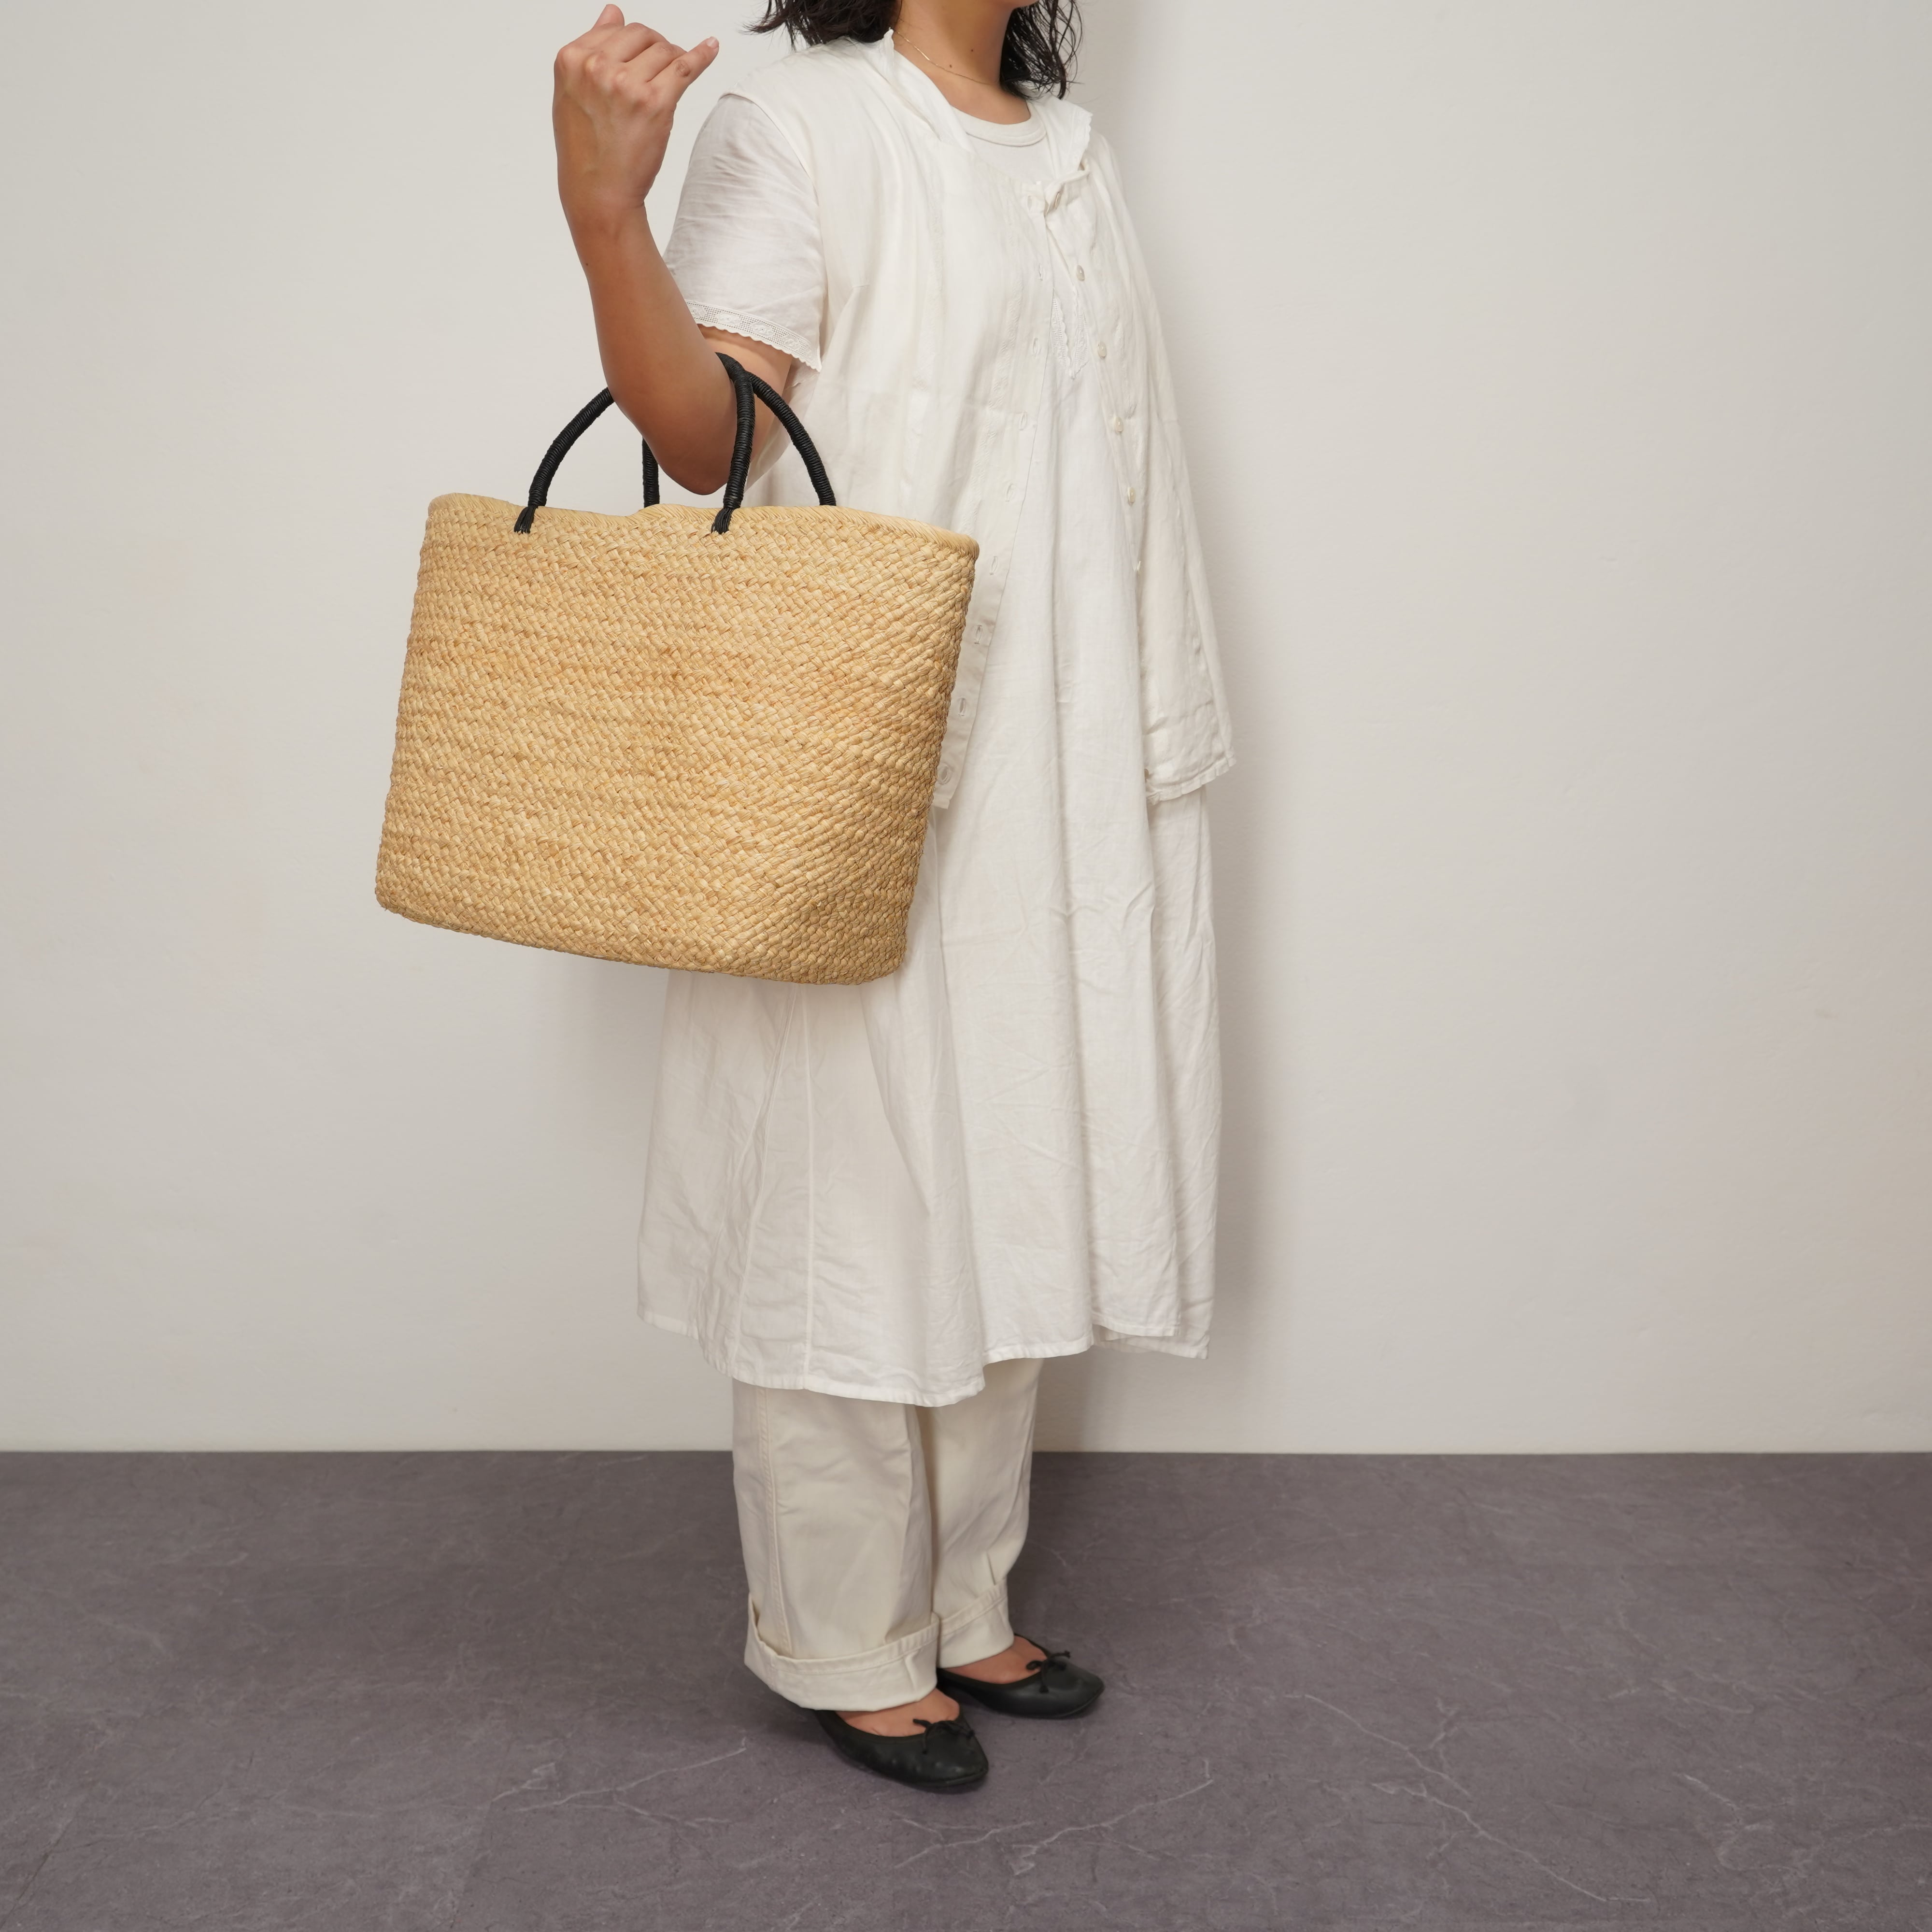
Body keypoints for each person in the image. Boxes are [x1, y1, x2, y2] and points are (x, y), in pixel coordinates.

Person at [551, 0, 1234, 1793]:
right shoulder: (807, 123)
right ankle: (847, 1633)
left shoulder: (1066, 152)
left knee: (1015, 1162)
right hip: (861, 752)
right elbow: (713, 442)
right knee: (843, 1188)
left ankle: (964, 1596)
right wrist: (607, 215)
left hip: (1055, 754)